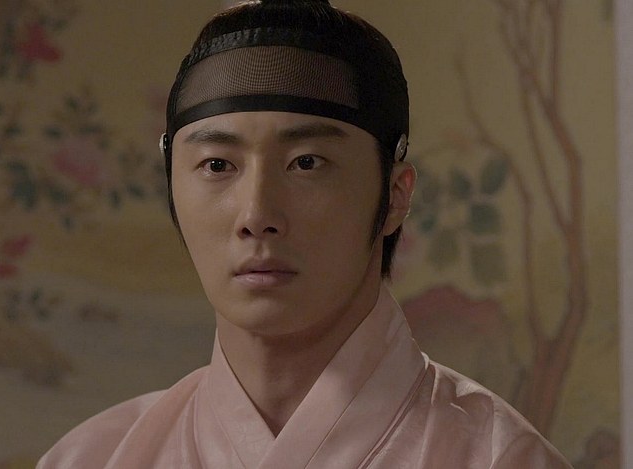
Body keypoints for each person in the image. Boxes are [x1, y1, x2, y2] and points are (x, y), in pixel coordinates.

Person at [38, 0, 573, 467]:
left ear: (395, 195)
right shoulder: (94, 457)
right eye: (218, 165)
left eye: (307, 162)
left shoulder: (496, 458)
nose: (256, 214)